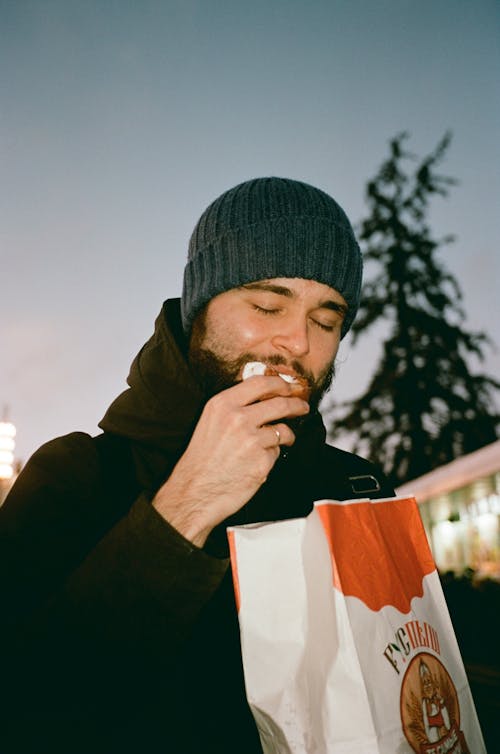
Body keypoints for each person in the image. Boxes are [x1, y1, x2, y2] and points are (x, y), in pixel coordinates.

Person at [0, 177, 394, 753]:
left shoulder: (355, 487)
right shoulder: (77, 473)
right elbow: (25, 707)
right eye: (266, 304)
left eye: (327, 320)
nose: (298, 342)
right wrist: (185, 506)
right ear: (197, 310)